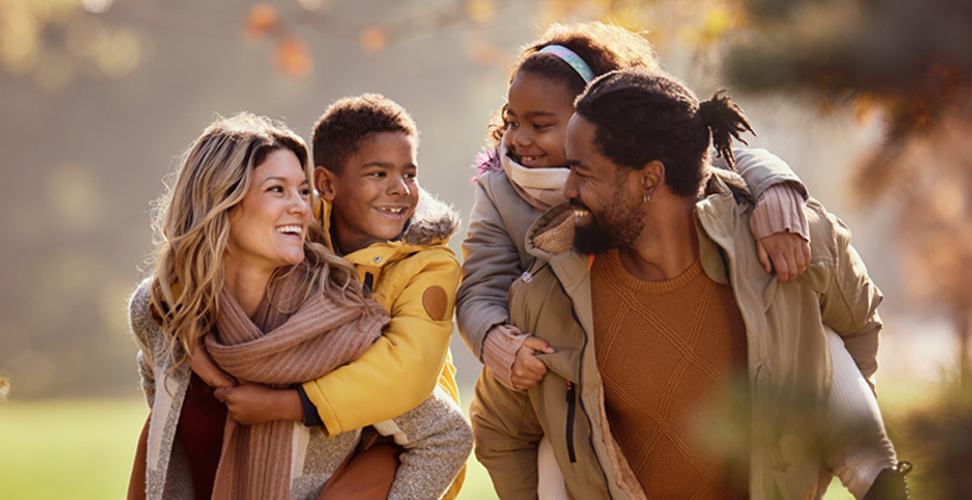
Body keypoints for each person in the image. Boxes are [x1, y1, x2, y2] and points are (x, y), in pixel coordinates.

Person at [457, 22, 902, 499]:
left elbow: (855, 331)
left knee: (820, 337)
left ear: (649, 177)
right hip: (573, 417)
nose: (566, 188)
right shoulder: (544, 287)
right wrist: (496, 339)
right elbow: (498, 414)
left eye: (580, 170)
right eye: (513, 120)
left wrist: (778, 188)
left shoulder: (786, 241)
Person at [127, 113, 469, 500]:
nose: (302, 208)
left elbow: (446, 436)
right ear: (220, 203)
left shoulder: (336, 333)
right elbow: (157, 376)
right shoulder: (162, 312)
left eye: (303, 192)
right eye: (277, 190)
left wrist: (292, 404)